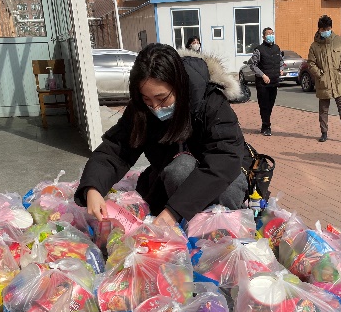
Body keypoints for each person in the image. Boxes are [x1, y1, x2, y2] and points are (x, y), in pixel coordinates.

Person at [74, 43, 248, 225]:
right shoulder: (141, 110)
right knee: (178, 169)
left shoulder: (212, 103)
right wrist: (93, 187)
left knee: (217, 185)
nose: (155, 107)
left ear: (179, 86)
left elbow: (224, 159)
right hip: (169, 183)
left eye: (162, 98)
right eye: (147, 99)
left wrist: (174, 211)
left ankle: (214, 230)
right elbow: (116, 149)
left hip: (218, 179)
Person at [307, 15, 341, 143]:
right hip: (324, 82)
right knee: (323, 110)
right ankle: (324, 133)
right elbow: (311, 63)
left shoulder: (338, 41)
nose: (326, 31)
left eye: (328, 29)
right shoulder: (314, 46)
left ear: (331, 28)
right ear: (319, 29)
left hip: (338, 81)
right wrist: (319, 74)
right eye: (323, 29)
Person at [250, 27, 283, 136]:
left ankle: (265, 124)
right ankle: (266, 126)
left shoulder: (277, 48)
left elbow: (281, 61)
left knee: (270, 105)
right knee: (264, 105)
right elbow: (253, 65)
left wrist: (281, 69)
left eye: (272, 33)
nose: (271, 35)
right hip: (262, 83)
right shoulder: (259, 50)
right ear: (263, 37)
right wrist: (263, 75)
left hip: (274, 81)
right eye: (268, 34)